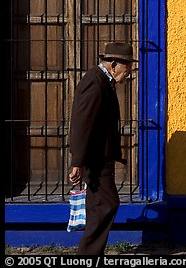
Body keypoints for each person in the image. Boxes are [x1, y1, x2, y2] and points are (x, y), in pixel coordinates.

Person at [68, 42, 136, 255]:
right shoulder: (95, 82)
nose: (127, 75)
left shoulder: (103, 82)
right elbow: (82, 123)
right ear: (114, 65)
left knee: (98, 207)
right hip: (95, 159)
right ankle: (87, 255)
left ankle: (90, 253)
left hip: (100, 157)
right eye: (126, 70)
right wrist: (77, 161)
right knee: (107, 205)